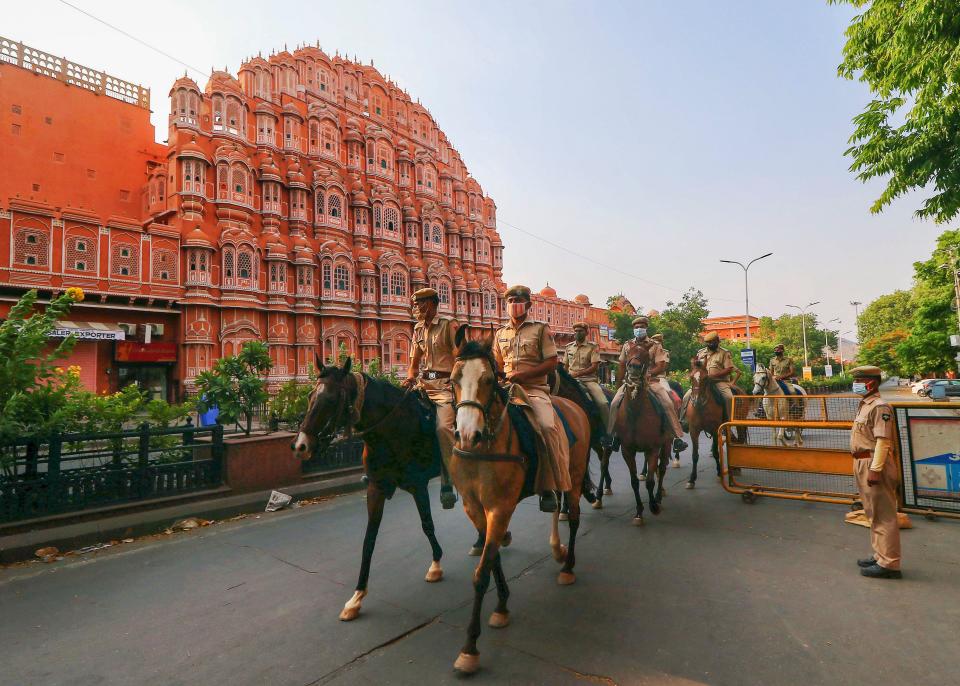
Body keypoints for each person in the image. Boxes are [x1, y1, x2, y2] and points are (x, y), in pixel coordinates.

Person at [494, 284, 571, 512]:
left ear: (528, 305)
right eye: (510, 302)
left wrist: (523, 374)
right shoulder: (500, 334)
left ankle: (550, 485)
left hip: (534, 390)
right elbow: (497, 366)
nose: (514, 306)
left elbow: (551, 362)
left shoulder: (540, 329)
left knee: (547, 428)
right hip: (507, 389)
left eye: (518, 301)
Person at [404, 287, 458, 509]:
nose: (416, 307)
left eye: (420, 303)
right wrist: (409, 379)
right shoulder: (417, 330)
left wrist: (450, 381)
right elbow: (413, 366)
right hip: (422, 386)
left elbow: (460, 360)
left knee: (443, 429)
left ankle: (448, 480)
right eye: (415, 304)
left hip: (444, 387)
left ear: (433, 304)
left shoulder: (448, 326)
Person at [849, 365, 902, 579]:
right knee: (873, 513)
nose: (856, 383)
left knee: (884, 515)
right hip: (863, 462)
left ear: (871, 382)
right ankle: (881, 555)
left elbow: (883, 441)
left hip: (873, 463)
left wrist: (875, 469)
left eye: (859, 379)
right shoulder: (865, 405)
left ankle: (889, 564)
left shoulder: (880, 407)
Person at [608, 316, 688, 453]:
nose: (639, 329)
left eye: (641, 327)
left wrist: (649, 373)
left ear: (646, 328)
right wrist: (619, 384)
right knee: (615, 403)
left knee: (667, 402)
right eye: (636, 327)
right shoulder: (627, 345)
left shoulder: (655, 345)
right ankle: (613, 435)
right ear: (633, 329)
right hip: (631, 380)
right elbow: (622, 364)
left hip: (652, 380)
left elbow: (661, 365)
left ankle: (675, 437)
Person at [563, 322, 610, 443]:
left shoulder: (592, 347)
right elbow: (565, 366)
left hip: (589, 380)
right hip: (571, 380)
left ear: (586, 332)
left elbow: (594, 366)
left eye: (581, 331)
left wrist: (578, 373)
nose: (578, 333)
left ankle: (609, 433)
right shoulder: (569, 347)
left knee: (603, 402)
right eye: (576, 331)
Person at [681, 331, 742, 423]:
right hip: (702, 382)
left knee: (729, 397)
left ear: (718, 341)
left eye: (713, 342)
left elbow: (729, 369)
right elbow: (696, 366)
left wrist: (712, 376)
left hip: (719, 381)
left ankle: (729, 421)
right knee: (686, 396)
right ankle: (683, 420)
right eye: (708, 342)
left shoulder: (724, 353)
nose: (711, 344)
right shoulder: (701, 353)